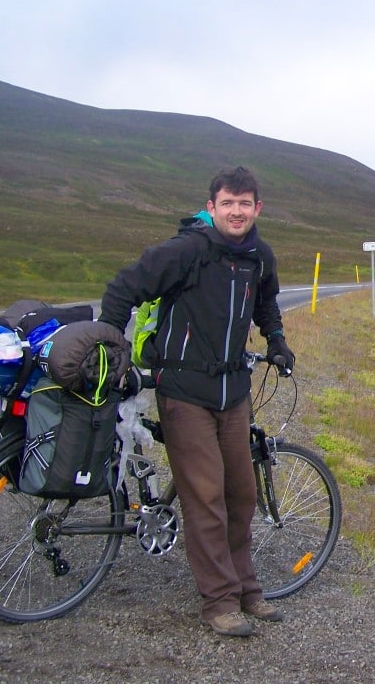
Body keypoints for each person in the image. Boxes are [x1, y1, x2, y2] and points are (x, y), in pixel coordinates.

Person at [100, 166, 296, 637]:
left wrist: (276, 339)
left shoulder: (259, 257)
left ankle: (247, 590)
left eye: (244, 203)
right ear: (212, 207)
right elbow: (123, 288)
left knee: (240, 494)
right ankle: (219, 602)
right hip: (184, 392)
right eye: (227, 203)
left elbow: (266, 303)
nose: (236, 211)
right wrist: (110, 345)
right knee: (206, 497)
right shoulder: (187, 250)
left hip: (234, 393)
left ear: (257, 208)